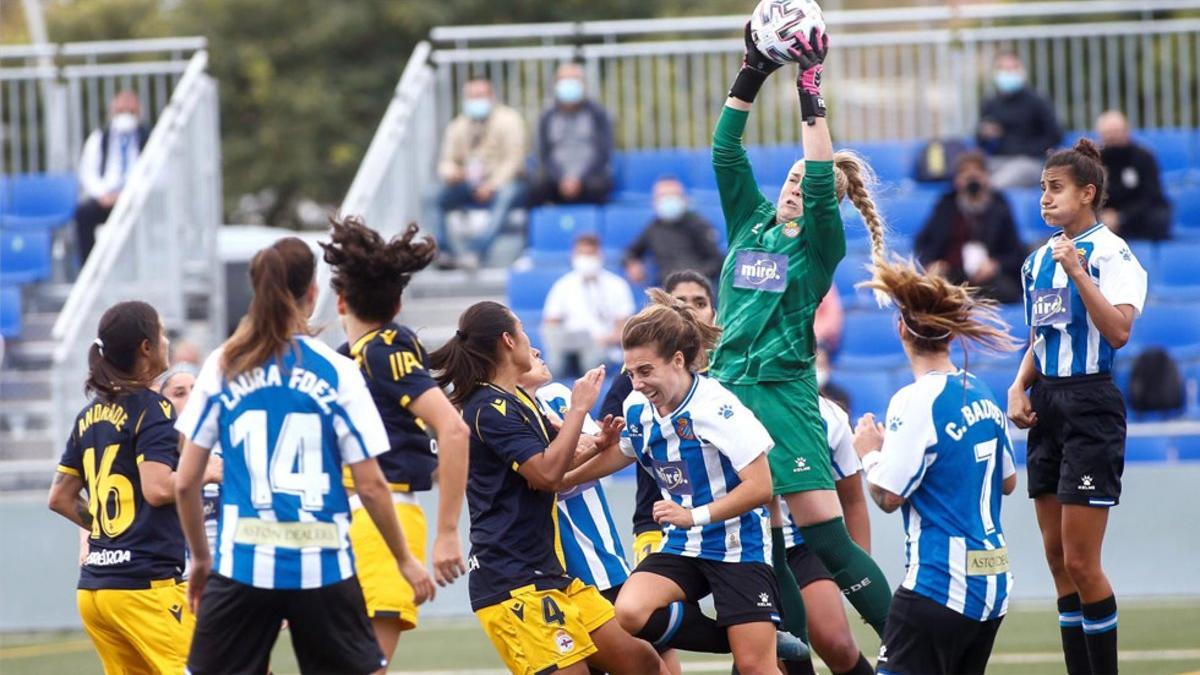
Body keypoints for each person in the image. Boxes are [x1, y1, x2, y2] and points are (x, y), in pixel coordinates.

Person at [173, 237, 435, 675]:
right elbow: (370, 484)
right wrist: (405, 558)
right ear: (314, 294)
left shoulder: (223, 363)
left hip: (241, 564)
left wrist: (201, 560)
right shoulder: (339, 370)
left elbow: (185, 481)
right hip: (324, 566)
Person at [710, 23, 894, 636]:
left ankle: (905, 649)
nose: (796, 185)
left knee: (825, 534)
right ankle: (787, 659)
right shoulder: (748, 223)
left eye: (807, 184)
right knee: (758, 543)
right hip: (725, 392)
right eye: (790, 177)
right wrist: (753, 70)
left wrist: (809, 87)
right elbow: (725, 154)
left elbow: (821, 182)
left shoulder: (820, 244)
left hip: (785, 394)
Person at [430, 302, 665, 675]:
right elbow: (546, 475)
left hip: (550, 573)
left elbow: (550, 459)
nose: (530, 340)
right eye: (522, 330)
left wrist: (598, 443)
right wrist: (578, 409)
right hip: (512, 582)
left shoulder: (517, 399)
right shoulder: (487, 408)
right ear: (508, 340)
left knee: (643, 662)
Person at [562, 289, 783, 675]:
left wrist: (693, 515)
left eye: (645, 371)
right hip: (685, 544)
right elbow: (623, 452)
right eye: (630, 373)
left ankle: (756, 639)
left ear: (678, 361)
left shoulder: (717, 407)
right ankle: (745, 633)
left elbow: (761, 487)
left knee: (755, 669)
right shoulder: (636, 408)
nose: (637, 383)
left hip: (737, 544)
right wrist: (561, 481)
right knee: (629, 611)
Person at [1008, 139, 1147, 675]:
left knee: (1083, 562)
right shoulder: (1036, 261)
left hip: (1091, 402)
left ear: (1087, 194)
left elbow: (1117, 331)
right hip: (1047, 404)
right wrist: (1017, 388)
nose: (1045, 198)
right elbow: (1042, 340)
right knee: (1056, 561)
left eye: (1056, 188)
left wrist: (1080, 273)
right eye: (1042, 188)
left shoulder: (1113, 254)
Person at [852, 256, 1021, 675]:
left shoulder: (914, 400)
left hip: (939, 583)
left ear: (901, 330)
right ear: (951, 335)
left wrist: (869, 452)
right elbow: (1009, 481)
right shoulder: (980, 390)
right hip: (993, 582)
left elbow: (888, 496)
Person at [320, 216, 471, 662]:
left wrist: (446, 532)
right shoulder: (361, 355)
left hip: (354, 521)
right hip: (358, 522)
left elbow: (451, 429)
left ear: (340, 300)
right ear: (399, 300)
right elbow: (452, 428)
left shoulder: (364, 356)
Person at [47, 301, 216, 673]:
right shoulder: (153, 408)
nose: (167, 341)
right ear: (146, 348)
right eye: (161, 334)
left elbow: (59, 498)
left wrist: (112, 536)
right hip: (144, 589)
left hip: (95, 592)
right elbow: (157, 488)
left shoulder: (88, 414)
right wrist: (208, 471)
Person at [600, 270, 716, 568]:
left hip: (726, 520)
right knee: (649, 612)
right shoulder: (635, 380)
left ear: (714, 313)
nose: (690, 310)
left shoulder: (731, 378)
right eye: (680, 302)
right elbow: (613, 437)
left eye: (700, 302)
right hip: (657, 522)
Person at [774, 395, 875, 675]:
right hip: (745, 549)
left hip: (806, 545)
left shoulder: (828, 416)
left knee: (837, 644)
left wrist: (861, 583)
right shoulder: (721, 406)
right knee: (773, 659)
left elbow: (853, 501)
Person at [429, 77, 528, 268]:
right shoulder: (458, 125)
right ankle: (444, 252)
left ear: (492, 96)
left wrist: (492, 185)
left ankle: (475, 251)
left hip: (504, 183)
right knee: (432, 195)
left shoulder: (509, 120)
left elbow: (514, 161)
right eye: (472, 96)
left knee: (506, 194)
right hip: (469, 183)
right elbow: (446, 161)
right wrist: (453, 173)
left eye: (481, 95)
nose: (476, 100)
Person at [914, 150, 1025, 304]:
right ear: (956, 180)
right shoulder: (945, 205)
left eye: (977, 172)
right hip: (953, 275)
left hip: (988, 279)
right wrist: (932, 264)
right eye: (965, 173)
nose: (971, 178)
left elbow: (1015, 252)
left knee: (1008, 291)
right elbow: (923, 243)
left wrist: (995, 265)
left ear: (987, 177)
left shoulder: (1000, 206)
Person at [542, 234, 636, 377]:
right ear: (574, 255)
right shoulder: (563, 285)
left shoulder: (617, 285)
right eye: (581, 254)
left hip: (602, 345)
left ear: (599, 255)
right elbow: (550, 324)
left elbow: (625, 328)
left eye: (590, 254)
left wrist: (603, 339)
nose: (586, 259)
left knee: (591, 359)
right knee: (553, 361)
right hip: (569, 346)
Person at [74, 90, 150, 263]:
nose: (125, 116)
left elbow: (156, 172)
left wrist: (129, 194)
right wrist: (103, 194)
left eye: (130, 112)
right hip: (106, 199)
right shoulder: (99, 138)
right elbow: (87, 173)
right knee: (83, 214)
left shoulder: (147, 138)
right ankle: (89, 267)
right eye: (121, 111)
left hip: (137, 200)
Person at [977, 52, 1063, 189]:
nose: (1008, 73)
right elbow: (980, 143)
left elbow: (1055, 135)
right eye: (1004, 69)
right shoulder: (990, 103)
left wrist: (1027, 149)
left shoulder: (1037, 101)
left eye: (1012, 68)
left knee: (996, 184)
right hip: (997, 160)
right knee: (971, 175)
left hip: (1029, 161)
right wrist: (985, 135)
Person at [534, 62, 614, 205]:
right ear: (556, 84)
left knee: (600, 187)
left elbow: (603, 152)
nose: (569, 84)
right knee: (535, 189)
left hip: (590, 178)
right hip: (556, 179)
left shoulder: (597, 113)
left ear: (583, 84)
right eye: (564, 80)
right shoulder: (547, 116)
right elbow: (543, 154)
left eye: (574, 80)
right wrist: (561, 178)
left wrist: (579, 179)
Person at [623, 177, 724, 285]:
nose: (668, 200)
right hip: (664, 289)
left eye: (673, 196)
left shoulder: (698, 224)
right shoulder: (653, 228)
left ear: (684, 199)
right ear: (654, 202)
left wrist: (695, 278)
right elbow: (630, 253)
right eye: (662, 197)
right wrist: (632, 264)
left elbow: (717, 260)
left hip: (695, 288)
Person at [1096, 110, 1172, 241]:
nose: (1113, 137)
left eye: (1117, 132)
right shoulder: (1094, 161)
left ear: (1127, 131)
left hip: (1137, 215)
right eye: (1108, 134)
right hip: (1104, 216)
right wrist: (1102, 216)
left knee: (1158, 217)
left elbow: (1152, 195)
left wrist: (1120, 217)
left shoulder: (1144, 157)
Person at [815, 344, 851, 414]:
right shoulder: (799, 396)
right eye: (814, 365)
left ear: (829, 368)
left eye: (821, 365)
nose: (817, 370)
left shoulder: (840, 397)